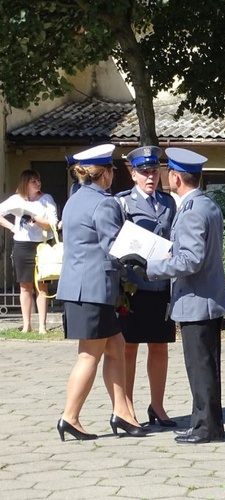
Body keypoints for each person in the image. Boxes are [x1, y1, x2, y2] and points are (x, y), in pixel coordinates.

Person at [121, 147, 225, 444]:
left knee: (201, 367)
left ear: (175, 177)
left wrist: (150, 267)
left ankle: (207, 428)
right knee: (203, 366)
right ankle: (203, 422)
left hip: (198, 300)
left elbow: (190, 260)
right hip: (204, 298)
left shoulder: (192, 211)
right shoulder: (205, 204)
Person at [56, 144, 147, 441]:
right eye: (112, 171)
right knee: (89, 355)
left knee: (116, 347)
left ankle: (121, 411)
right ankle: (69, 416)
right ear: (105, 174)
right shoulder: (105, 203)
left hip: (78, 286)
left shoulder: (74, 199)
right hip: (94, 288)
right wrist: (143, 257)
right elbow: (114, 245)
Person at [115, 146, 178, 427]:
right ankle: (127, 407)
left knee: (160, 346)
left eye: (154, 171)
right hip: (134, 286)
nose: (150, 177)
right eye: (144, 172)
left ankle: (158, 406)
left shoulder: (168, 203)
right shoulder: (123, 203)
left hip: (161, 284)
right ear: (133, 174)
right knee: (129, 348)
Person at [0, 170, 58, 334]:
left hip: (42, 244)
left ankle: (42, 326)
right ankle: (26, 325)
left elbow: (52, 224)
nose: (38, 184)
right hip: (22, 245)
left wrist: (35, 220)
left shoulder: (47, 200)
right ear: (25, 183)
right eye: (34, 181)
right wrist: (12, 227)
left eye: (38, 181)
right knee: (25, 286)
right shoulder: (16, 200)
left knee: (42, 286)